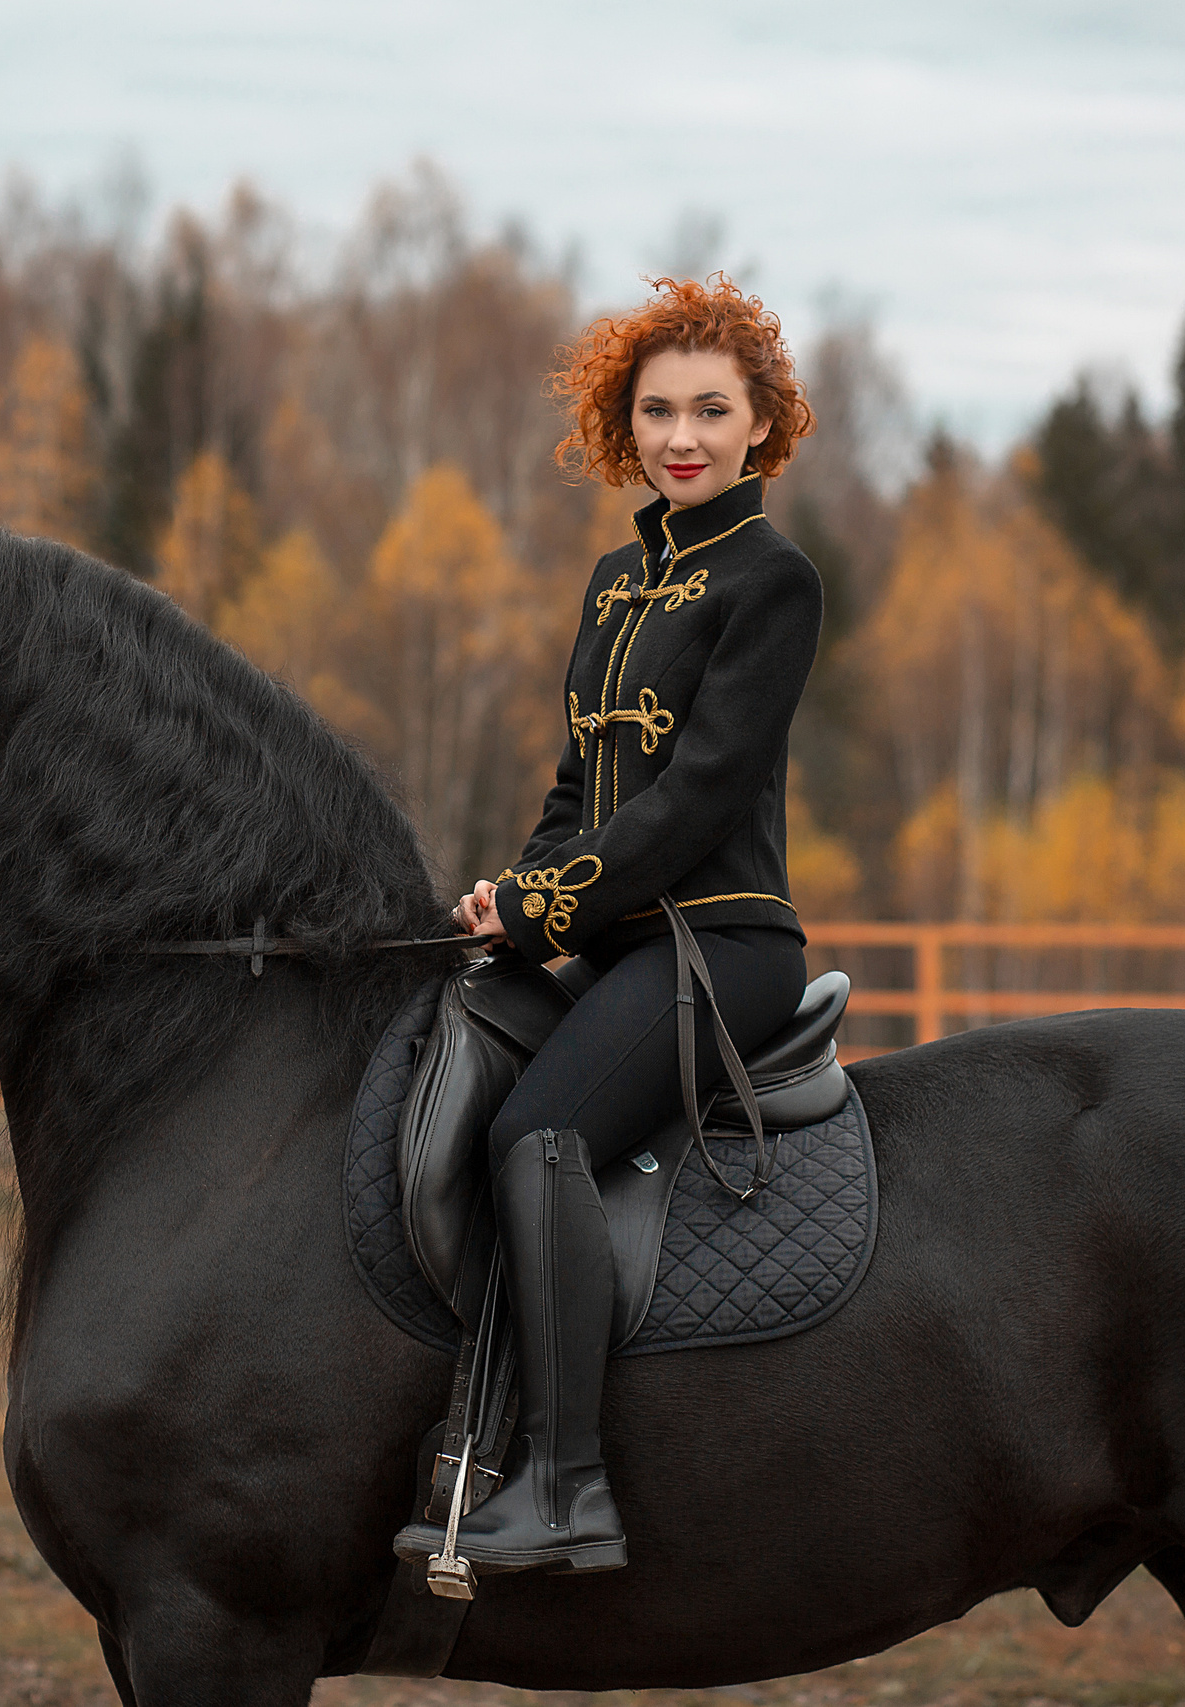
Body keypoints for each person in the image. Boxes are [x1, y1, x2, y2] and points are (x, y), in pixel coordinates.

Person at [396, 276, 823, 1575]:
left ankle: (568, 1489)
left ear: (762, 427)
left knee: (539, 1134)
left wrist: (550, 904)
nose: (680, 436)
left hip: (721, 949)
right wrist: (508, 903)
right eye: (656, 411)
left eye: (710, 410)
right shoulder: (614, 582)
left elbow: (695, 802)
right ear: (621, 423)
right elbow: (578, 790)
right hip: (619, 945)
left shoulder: (774, 580)